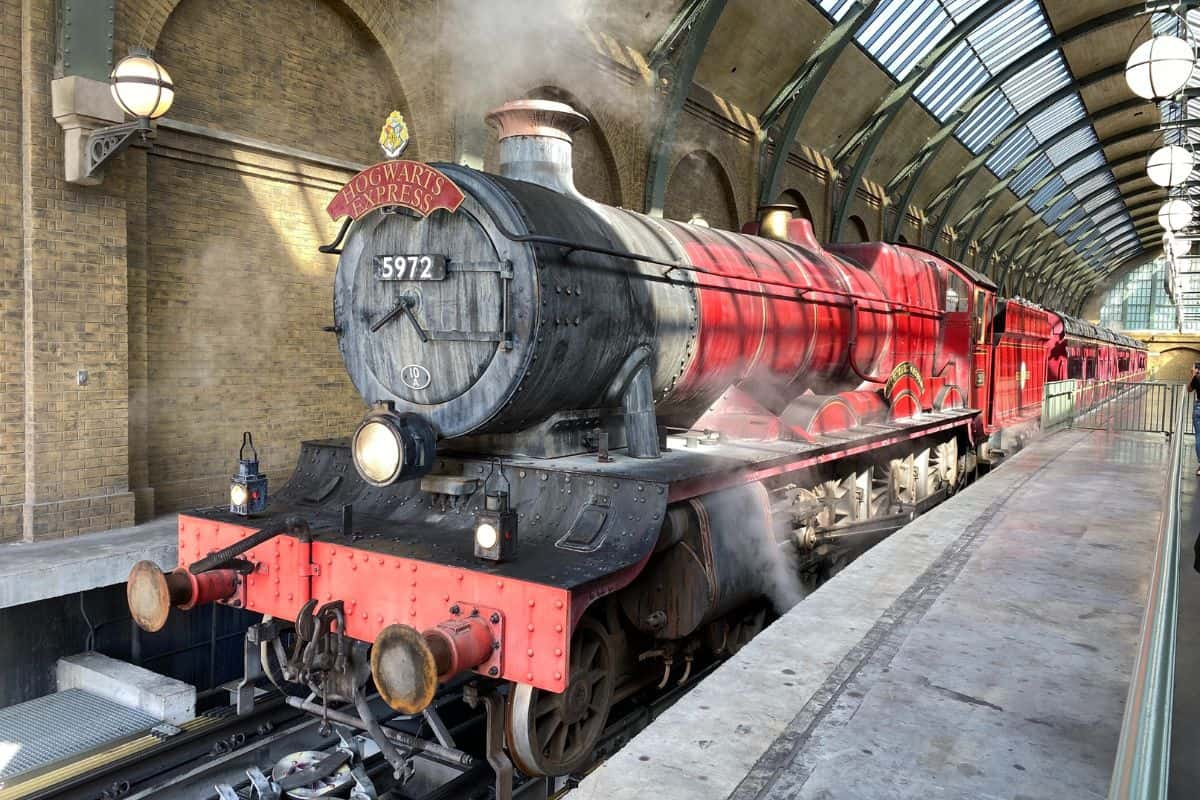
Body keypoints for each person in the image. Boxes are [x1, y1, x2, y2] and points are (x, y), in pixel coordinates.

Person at [1192, 365, 1200, 476]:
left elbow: (1189, 389)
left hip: (1198, 407)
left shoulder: (1197, 377)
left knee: (1199, 436)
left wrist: (1193, 375)